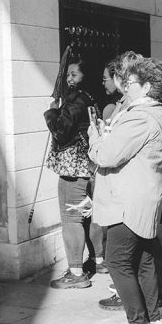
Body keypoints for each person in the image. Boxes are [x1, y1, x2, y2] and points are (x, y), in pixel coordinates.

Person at [89, 57, 162, 324]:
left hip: (127, 203)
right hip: (142, 199)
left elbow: (107, 156)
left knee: (118, 262)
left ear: (147, 87)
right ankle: (154, 322)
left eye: (131, 83)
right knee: (143, 262)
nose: (125, 86)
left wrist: (95, 136)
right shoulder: (153, 114)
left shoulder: (140, 116)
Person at [43, 57, 100, 289]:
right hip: (83, 165)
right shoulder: (88, 98)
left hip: (73, 166)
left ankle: (76, 273)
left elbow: (60, 130)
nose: (69, 78)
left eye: (74, 74)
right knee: (83, 216)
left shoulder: (76, 100)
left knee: (71, 218)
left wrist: (52, 112)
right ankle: (95, 261)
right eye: (68, 74)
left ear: (85, 77)